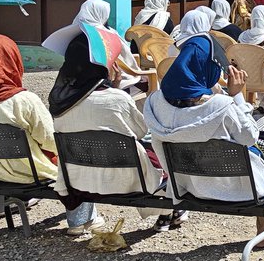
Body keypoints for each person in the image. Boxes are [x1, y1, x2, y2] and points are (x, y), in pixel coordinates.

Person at [144, 24, 264, 238]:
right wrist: (236, 95)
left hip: (187, 184)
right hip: (233, 187)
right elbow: (249, 137)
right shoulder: (220, 107)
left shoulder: (155, 104)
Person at [0, 35, 103, 235]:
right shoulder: (23, 100)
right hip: (27, 172)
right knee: (74, 161)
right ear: (12, 60)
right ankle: (81, 220)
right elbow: (52, 140)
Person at [48, 28, 182, 231]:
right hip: (125, 178)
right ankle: (167, 210)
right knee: (161, 156)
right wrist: (117, 91)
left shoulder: (59, 102)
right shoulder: (116, 99)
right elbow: (140, 131)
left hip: (79, 178)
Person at [44, 0, 146, 89]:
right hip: (101, 84)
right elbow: (125, 59)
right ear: (101, 14)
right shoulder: (108, 35)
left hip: (69, 89)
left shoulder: (74, 33)